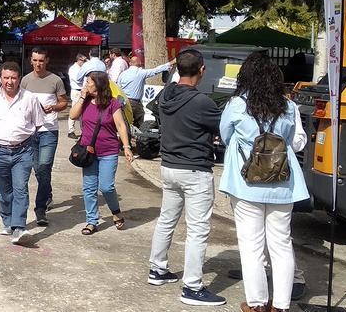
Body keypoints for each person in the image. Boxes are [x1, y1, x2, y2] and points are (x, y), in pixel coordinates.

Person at [219, 53, 309, 312]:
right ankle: (281, 306)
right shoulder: (288, 106)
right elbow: (294, 141)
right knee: (281, 244)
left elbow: (226, 135)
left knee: (251, 246)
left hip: (246, 185)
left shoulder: (237, 104)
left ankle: (257, 304)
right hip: (283, 184)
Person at [147, 49, 226, 306]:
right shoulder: (202, 102)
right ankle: (192, 287)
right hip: (194, 169)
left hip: (169, 167)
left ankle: (157, 269)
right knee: (197, 230)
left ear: (178, 69)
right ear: (202, 69)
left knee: (166, 220)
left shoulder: (166, 94)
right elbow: (224, 128)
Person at [0, 61, 44, 245]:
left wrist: (20, 135)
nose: (10, 82)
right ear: (0, 78)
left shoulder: (30, 98)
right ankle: (7, 220)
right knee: (4, 190)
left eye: (14, 78)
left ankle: (19, 228)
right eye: (6, 77)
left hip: (23, 151)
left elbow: (37, 122)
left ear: (19, 79)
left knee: (20, 188)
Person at [68, 71, 133, 235]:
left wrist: (126, 147)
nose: (86, 84)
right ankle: (92, 221)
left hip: (108, 151)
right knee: (89, 188)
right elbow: (72, 115)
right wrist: (82, 97)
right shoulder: (86, 101)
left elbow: (120, 125)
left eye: (88, 82)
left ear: (98, 84)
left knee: (106, 186)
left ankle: (116, 212)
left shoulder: (112, 104)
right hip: (88, 152)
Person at [20, 47, 68, 227]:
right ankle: (47, 193)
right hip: (30, 131)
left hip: (49, 130)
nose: (38, 64)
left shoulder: (55, 80)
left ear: (47, 60)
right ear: (30, 61)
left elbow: (64, 102)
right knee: (38, 169)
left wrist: (54, 107)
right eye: (35, 60)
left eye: (41, 60)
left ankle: (40, 209)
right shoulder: (25, 80)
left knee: (44, 166)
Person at [116, 54, 174, 128]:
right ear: (139, 63)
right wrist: (170, 63)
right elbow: (156, 70)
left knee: (125, 122)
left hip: (124, 101)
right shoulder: (140, 73)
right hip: (135, 102)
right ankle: (138, 137)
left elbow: (118, 87)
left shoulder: (123, 74)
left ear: (130, 63)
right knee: (139, 121)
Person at [66, 53, 87, 139]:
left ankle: (84, 130)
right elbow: (78, 80)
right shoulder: (73, 69)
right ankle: (71, 130)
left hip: (82, 91)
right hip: (76, 91)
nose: (85, 62)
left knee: (83, 112)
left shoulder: (82, 68)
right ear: (79, 60)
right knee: (74, 110)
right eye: (83, 60)